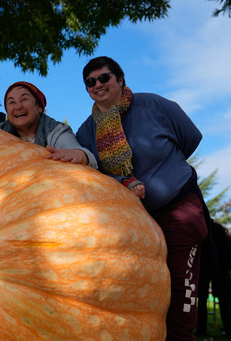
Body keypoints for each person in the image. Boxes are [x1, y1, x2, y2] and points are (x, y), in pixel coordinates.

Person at [76, 56, 210, 341]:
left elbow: (190, 138)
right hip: (132, 223)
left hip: (178, 210)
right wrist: (124, 181)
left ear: (120, 79)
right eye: (91, 82)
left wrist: (164, 174)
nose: (98, 85)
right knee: (144, 291)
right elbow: (91, 176)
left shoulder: (152, 105)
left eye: (104, 78)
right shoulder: (87, 131)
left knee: (179, 288)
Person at [0, 81, 97, 168]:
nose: (18, 106)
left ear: (40, 107)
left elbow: (74, 150)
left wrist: (80, 154)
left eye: (24, 99)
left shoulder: (56, 131)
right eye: (11, 102)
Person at [196, 220, 231, 337]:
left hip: (207, 269)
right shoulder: (218, 228)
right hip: (218, 269)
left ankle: (201, 330)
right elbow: (227, 248)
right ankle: (228, 329)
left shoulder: (202, 228)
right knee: (224, 301)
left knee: (202, 301)